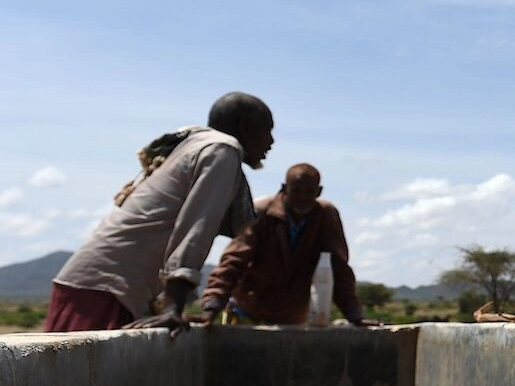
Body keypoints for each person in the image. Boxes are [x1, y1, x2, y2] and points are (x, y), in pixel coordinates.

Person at [45, 92, 274, 335]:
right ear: (246, 126)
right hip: (104, 289)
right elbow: (196, 228)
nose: (271, 142)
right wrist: (173, 307)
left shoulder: (194, 145)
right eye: (267, 130)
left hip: (97, 285)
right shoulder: (222, 149)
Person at [200, 163, 374, 327]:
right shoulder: (261, 213)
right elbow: (232, 263)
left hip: (292, 318)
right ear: (284, 189)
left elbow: (338, 269)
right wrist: (212, 304)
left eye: (309, 192)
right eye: (296, 191)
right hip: (246, 311)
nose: (303, 197)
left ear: (319, 192)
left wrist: (355, 315)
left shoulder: (326, 217)